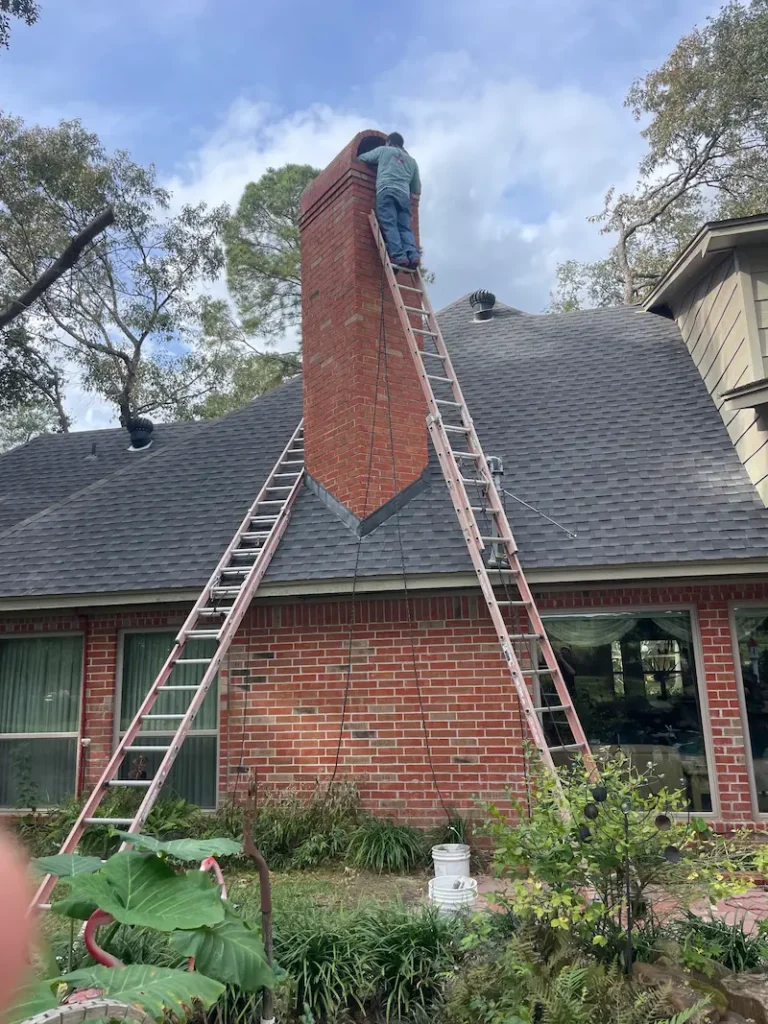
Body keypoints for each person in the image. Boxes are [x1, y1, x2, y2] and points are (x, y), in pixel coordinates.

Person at [358, 132, 422, 268]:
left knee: (390, 224)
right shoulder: (412, 161)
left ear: (389, 142)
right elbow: (416, 188)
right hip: (404, 196)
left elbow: (363, 157)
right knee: (404, 228)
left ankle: (399, 256)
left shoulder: (384, 150)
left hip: (386, 190)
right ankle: (413, 255)